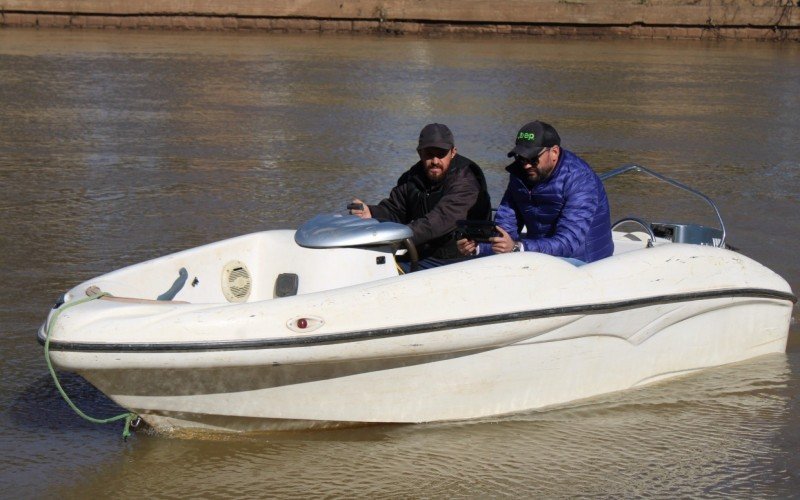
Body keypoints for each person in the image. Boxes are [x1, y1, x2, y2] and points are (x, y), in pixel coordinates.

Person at [458, 120, 613, 263]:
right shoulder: (520, 176)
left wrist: (518, 248)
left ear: (554, 152)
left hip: (583, 261)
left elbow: (568, 242)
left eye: (533, 158)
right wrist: (477, 247)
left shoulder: (580, 180)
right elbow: (504, 227)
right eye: (521, 158)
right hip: (538, 257)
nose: (526, 165)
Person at [351, 123, 491, 271]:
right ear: (420, 153)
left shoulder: (466, 179)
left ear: (453, 152)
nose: (435, 161)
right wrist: (371, 213)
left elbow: (438, 221)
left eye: (441, 154)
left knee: (383, 270)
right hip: (423, 252)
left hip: (459, 258)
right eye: (429, 154)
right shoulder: (413, 176)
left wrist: (397, 239)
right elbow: (395, 210)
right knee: (365, 265)